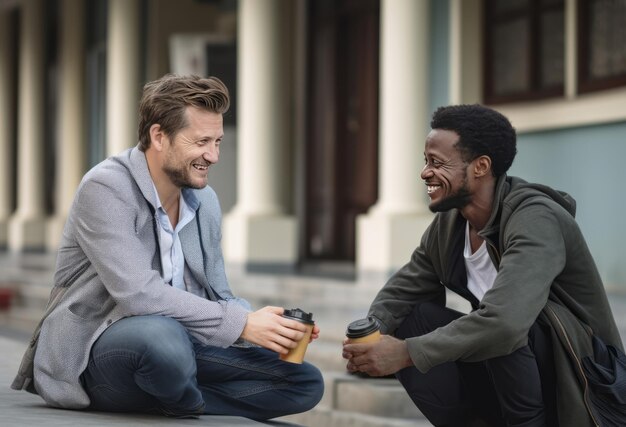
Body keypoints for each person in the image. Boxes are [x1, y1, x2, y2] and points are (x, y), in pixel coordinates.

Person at [12, 74, 324, 420]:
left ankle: (175, 398)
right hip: (97, 353)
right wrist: (241, 323)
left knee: (304, 382)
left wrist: (268, 326)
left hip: (180, 348)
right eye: (202, 141)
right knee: (163, 338)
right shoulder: (106, 187)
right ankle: (180, 396)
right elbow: (139, 295)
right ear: (158, 136)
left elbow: (218, 295)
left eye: (218, 141)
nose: (214, 155)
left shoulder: (204, 201)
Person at [342, 104, 624, 426]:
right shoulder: (451, 225)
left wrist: (405, 352)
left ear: (481, 167)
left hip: (582, 383)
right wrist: (371, 336)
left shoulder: (535, 218)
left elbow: (505, 323)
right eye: (425, 161)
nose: (425, 173)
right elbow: (403, 290)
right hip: (512, 373)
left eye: (437, 162)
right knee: (415, 317)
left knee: (508, 324)